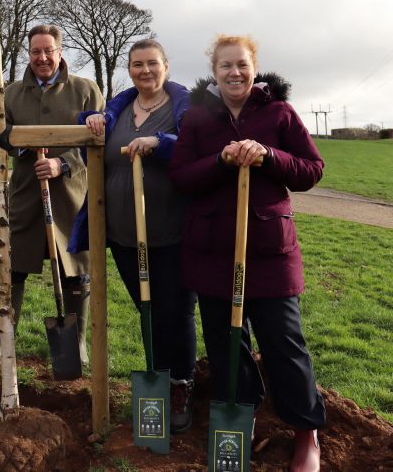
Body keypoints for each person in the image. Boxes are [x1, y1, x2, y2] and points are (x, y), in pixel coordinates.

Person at [169, 35, 325, 472]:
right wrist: (221, 159)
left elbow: (311, 170)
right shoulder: (199, 119)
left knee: (284, 343)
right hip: (213, 253)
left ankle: (306, 433)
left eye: (242, 65)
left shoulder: (279, 113)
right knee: (226, 344)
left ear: (254, 67)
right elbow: (181, 176)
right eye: (225, 66)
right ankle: (242, 418)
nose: (234, 73)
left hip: (270, 253)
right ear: (213, 71)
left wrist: (269, 156)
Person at [70, 38, 197, 432]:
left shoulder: (185, 107)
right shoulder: (120, 108)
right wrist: (91, 121)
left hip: (173, 232)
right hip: (126, 236)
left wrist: (160, 143)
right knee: (148, 311)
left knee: (174, 313)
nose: (145, 71)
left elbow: (196, 147)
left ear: (166, 66)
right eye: (138, 64)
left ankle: (180, 386)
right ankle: (156, 380)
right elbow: (92, 131)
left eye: (152, 63)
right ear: (129, 69)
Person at [0, 24, 104, 368]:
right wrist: (26, 150)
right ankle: (2, 338)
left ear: (60, 52)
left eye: (49, 51)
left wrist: (63, 163)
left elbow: (98, 140)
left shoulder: (85, 90)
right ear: (28, 54)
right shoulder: (12, 93)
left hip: (72, 198)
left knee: (75, 269)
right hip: (26, 194)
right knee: (11, 264)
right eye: (36, 52)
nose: (43, 58)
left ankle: (76, 342)